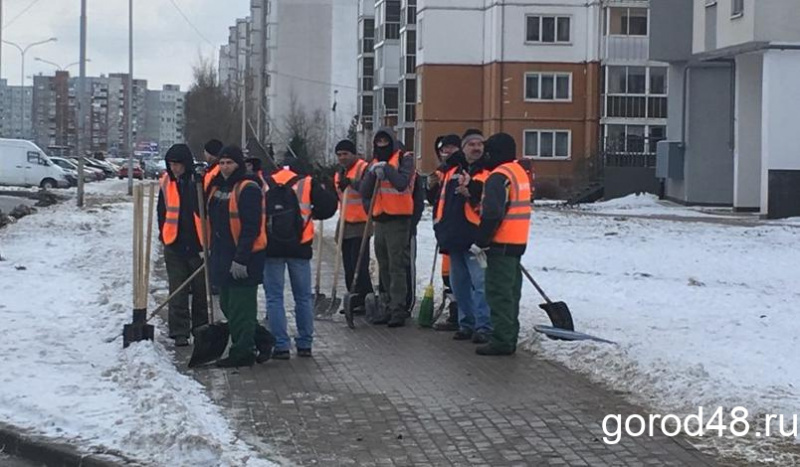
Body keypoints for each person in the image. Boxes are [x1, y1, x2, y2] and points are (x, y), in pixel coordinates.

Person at [206, 145, 274, 367]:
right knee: (227, 305)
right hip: (222, 255)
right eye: (222, 163)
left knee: (241, 307)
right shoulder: (218, 188)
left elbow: (251, 227)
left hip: (244, 257)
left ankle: (242, 353)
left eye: (230, 163)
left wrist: (241, 258)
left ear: (239, 165)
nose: (225, 167)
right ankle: (263, 339)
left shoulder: (249, 188)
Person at [263, 157, 337, 359]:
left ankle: (280, 345)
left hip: (271, 248)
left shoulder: (266, 181)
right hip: (300, 246)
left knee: (274, 298)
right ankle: (304, 344)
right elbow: (329, 207)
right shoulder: (306, 182)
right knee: (303, 298)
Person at [474, 133, 532, 356]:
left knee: (498, 294)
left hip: (501, 243)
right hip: (517, 242)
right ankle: (509, 335)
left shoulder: (498, 177)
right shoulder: (518, 173)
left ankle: (502, 340)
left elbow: (493, 213)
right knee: (511, 294)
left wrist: (481, 240)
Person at [433, 129, 492, 344]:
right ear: (463, 148)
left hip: (475, 238)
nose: (476, 148)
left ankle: (484, 326)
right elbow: (442, 203)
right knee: (459, 285)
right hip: (454, 236)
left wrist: (473, 191)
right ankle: (466, 323)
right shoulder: (451, 172)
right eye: (471, 144)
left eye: (479, 144)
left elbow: (489, 201)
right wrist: (441, 229)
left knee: (480, 283)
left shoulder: (487, 172)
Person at [360, 128, 415, 327]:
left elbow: (401, 183)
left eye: (385, 142)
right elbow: (364, 191)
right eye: (379, 142)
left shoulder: (404, 159)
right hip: (380, 219)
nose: (382, 145)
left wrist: (388, 170)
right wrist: (373, 174)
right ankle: (387, 303)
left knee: (396, 264)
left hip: (398, 219)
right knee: (383, 263)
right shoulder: (373, 164)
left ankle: (398, 307)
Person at [156, 144, 207, 347]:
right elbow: (162, 212)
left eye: (178, 164)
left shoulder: (198, 182)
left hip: (198, 245)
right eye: (171, 164)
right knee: (177, 290)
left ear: (186, 164)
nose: (174, 168)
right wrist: (163, 234)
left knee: (200, 291)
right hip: (174, 244)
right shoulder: (166, 183)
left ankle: (201, 328)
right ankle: (179, 331)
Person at [426, 134, 462, 332]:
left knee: (456, 275)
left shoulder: (459, 171)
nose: (447, 152)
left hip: (456, 231)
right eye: (443, 149)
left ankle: (459, 314)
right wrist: (430, 188)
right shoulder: (441, 172)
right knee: (447, 275)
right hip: (443, 232)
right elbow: (435, 200)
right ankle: (454, 311)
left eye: (451, 148)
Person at [333, 140, 373, 313]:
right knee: (348, 264)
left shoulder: (363, 168)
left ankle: (366, 297)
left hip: (361, 222)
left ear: (353, 154)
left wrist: (351, 182)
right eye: (339, 154)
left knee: (359, 264)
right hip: (345, 222)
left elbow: (367, 189)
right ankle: (354, 297)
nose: (342, 157)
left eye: (345, 154)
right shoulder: (340, 172)